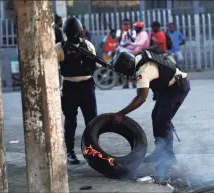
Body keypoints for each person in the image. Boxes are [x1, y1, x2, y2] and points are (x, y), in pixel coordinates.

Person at [109, 50, 190, 179]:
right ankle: (160, 150)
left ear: (129, 64)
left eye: (125, 72)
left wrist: (121, 113)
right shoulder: (138, 58)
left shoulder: (143, 71)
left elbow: (140, 98)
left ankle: (169, 159)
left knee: (163, 119)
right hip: (167, 87)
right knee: (156, 116)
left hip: (178, 87)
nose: (126, 75)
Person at [54, 17, 98, 165]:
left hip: (87, 85)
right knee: (70, 121)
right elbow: (53, 70)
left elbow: (94, 66)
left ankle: (92, 150)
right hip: (69, 86)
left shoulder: (88, 46)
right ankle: (70, 152)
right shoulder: (59, 48)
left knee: (91, 121)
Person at [116, 18, 137, 89]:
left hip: (131, 50)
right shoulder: (119, 31)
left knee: (132, 66)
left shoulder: (132, 31)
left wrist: (128, 33)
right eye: (125, 24)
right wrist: (122, 32)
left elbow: (133, 40)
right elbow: (117, 39)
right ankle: (126, 83)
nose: (126, 25)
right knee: (123, 67)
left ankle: (134, 83)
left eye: (127, 24)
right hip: (122, 51)